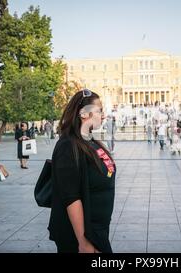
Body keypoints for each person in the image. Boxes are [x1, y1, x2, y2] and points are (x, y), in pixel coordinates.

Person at [48, 89, 116, 253]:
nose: (103, 114)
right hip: (82, 235)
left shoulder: (88, 140)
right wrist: (83, 241)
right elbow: (71, 197)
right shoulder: (68, 145)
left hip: (98, 230)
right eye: (99, 110)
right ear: (84, 114)